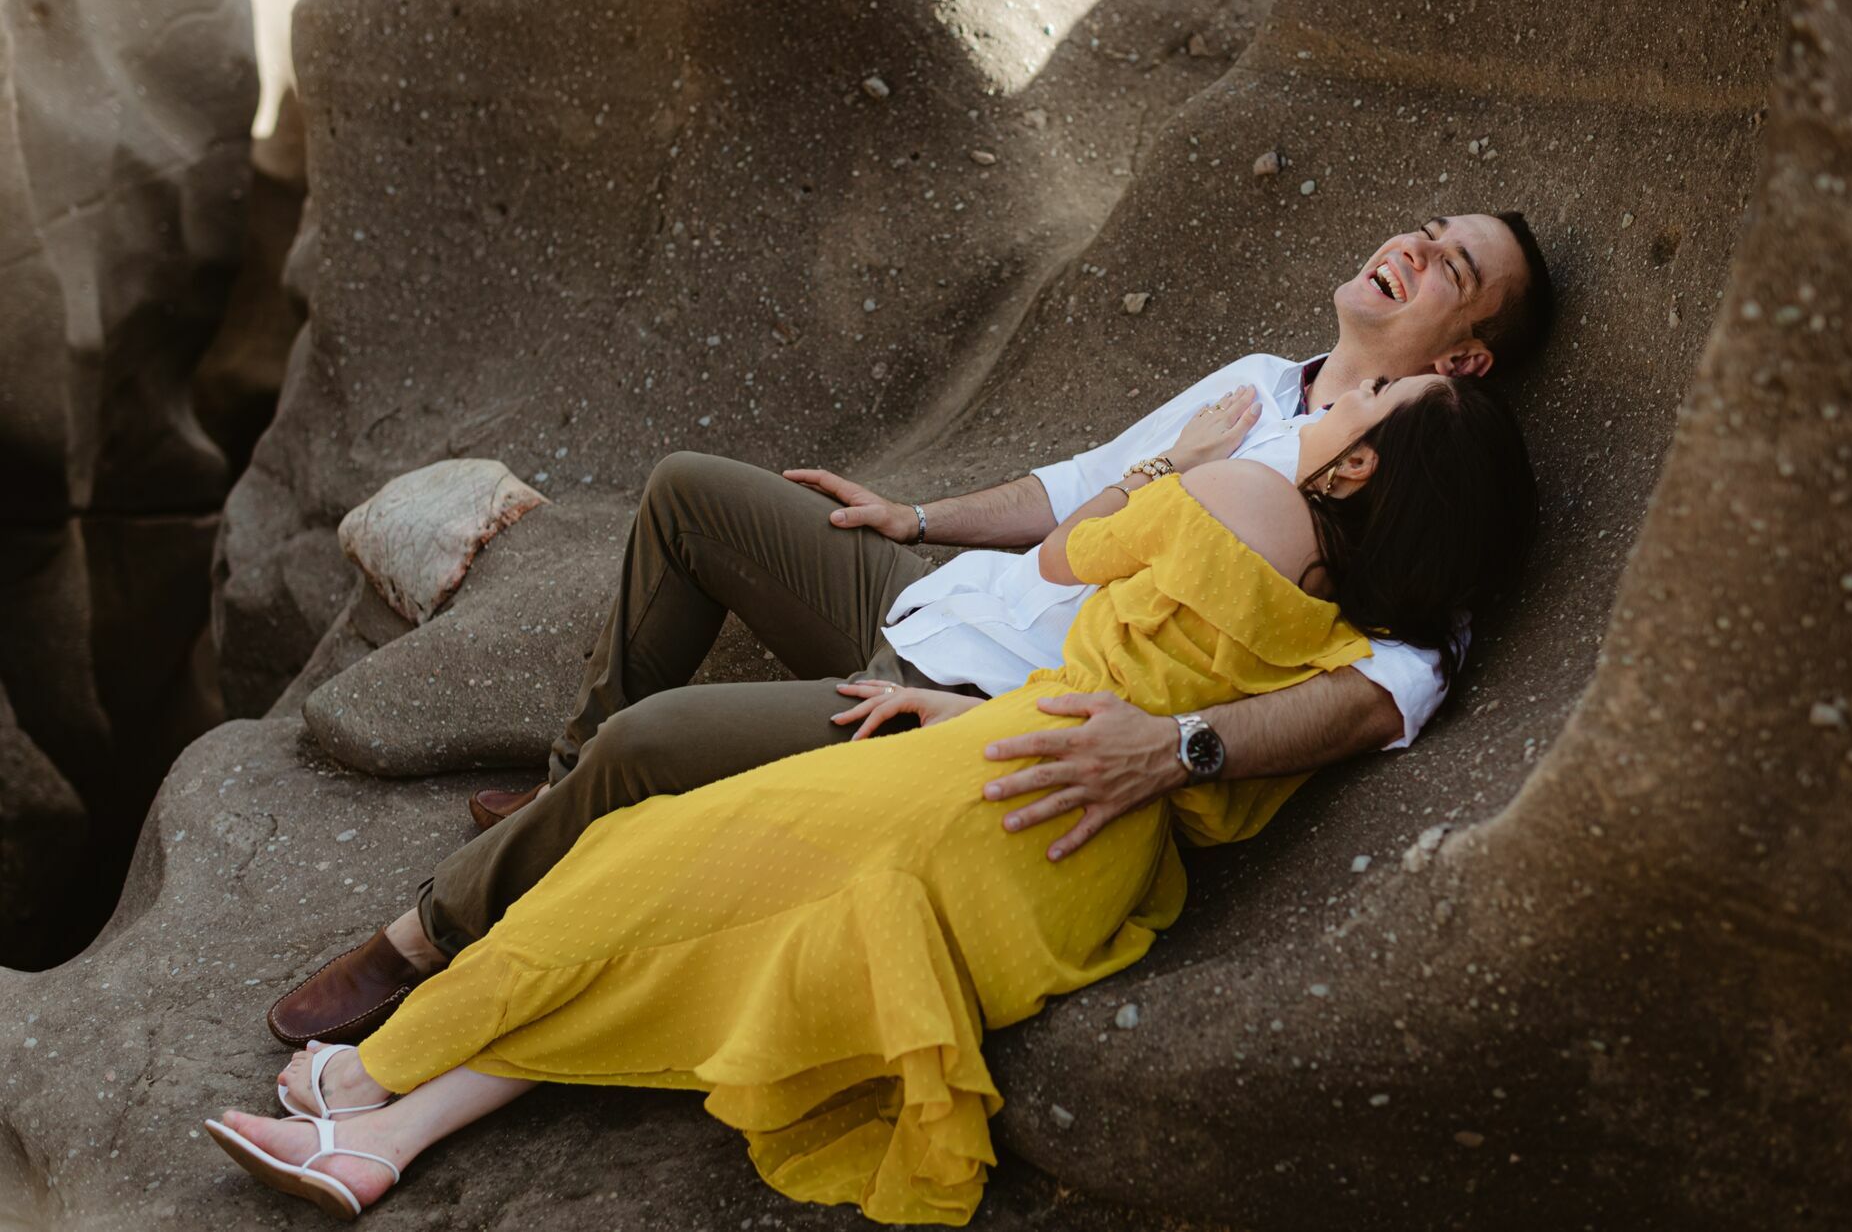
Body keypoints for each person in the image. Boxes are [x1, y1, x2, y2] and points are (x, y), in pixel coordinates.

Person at [207, 371, 1540, 1224]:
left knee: (650, 860)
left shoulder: (1244, 486)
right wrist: (932, 586)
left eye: (1370, 412)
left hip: (972, 789)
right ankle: (379, 1130)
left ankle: (379, 1058)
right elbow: (1208, 711)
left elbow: (1078, 554)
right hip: (1076, 863)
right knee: (704, 919)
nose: (1341, 414)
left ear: (1360, 466)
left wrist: (1181, 466)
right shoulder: (1367, 641)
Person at [265, 212, 1554, 1049]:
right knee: (687, 495)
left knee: (656, 746)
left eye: (1455, 266)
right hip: (930, 610)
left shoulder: (1412, 498)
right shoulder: (1253, 390)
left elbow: (1395, 684)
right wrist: (916, 514)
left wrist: (1175, 749)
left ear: (1470, 359)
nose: (1416, 243)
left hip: (957, 710)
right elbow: (1065, 486)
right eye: (1428, 226)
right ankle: (567, 792)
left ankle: (425, 936)